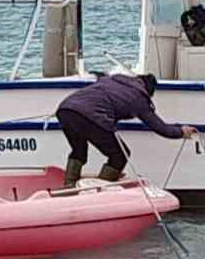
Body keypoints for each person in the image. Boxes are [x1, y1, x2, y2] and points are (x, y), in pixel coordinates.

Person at [55, 73, 196, 187]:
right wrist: (181, 132)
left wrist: (178, 126)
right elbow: (161, 128)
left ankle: (69, 185)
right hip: (91, 116)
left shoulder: (112, 80)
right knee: (120, 155)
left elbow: (101, 78)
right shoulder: (139, 98)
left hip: (65, 110)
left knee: (79, 151)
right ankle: (99, 190)